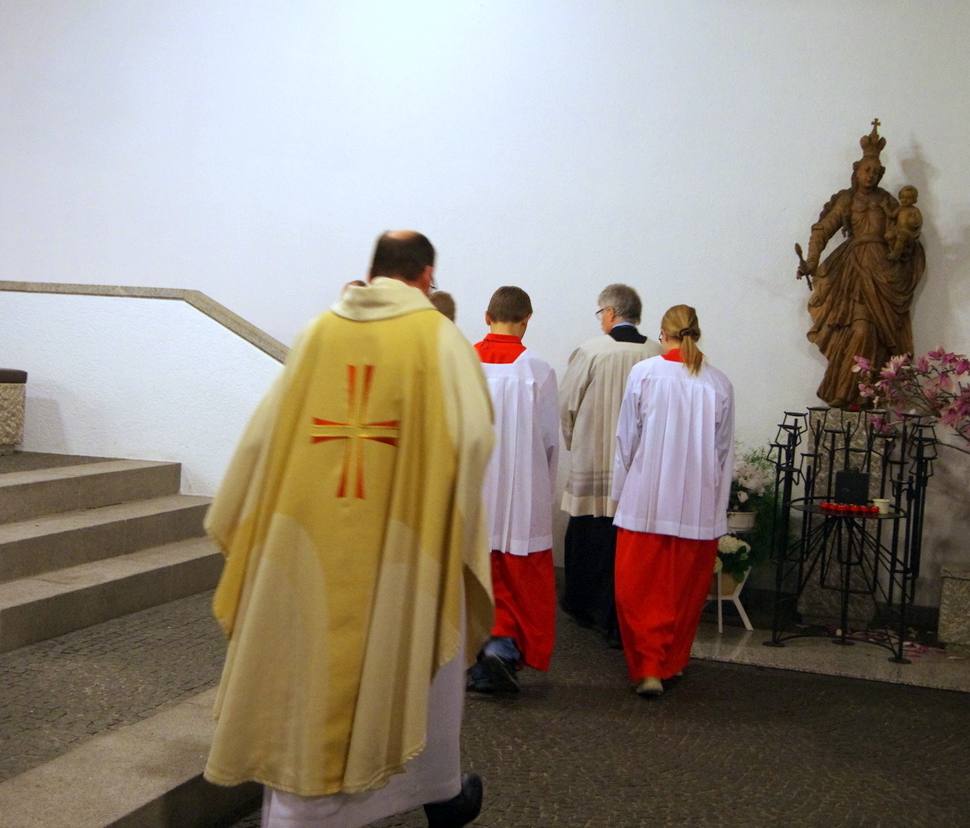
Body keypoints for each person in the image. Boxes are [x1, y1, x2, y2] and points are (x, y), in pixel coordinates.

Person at [203, 231, 495, 828]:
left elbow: (262, 436)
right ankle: (432, 791)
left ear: (374, 268)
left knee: (302, 666)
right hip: (402, 543)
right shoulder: (438, 338)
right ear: (426, 275)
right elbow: (473, 438)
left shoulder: (318, 333)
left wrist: (239, 514)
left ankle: (301, 812)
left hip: (303, 542)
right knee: (415, 662)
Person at [611, 304, 734, 697]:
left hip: (647, 499)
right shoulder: (718, 383)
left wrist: (620, 492)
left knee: (637, 588)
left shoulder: (645, 373)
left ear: (663, 334)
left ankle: (649, 666)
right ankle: (671, 661)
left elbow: (626, 438)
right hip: (696, 503)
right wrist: (716, 506)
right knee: (685, 590)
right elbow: (722, 452)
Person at [467, 286, 559, 694]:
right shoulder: (537, 369)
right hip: (519, 487)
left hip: (471, 485)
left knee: (473, 569)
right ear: (527, 319)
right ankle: (501, 648)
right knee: (516, 571)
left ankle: (479, 656)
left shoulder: (462, 360)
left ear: (487, 317)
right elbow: (549, 438)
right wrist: (543, 488)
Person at [558, 284, 661, 646]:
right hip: (637, 466)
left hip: (593, 459)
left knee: (588, 535)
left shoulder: (591, 351)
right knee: (626, 543)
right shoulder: (655, 353)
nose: (600, 319)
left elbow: (567, 404)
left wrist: (575, 444)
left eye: (601, 312)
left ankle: (582, 606)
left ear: (611, 313)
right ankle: (618, 614)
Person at [798, 120, 926, 408]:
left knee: (875, 336)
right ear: (856, 171)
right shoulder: (846, 200)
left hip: (883, 273)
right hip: (854, 271)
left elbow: (902, 230)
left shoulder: (886, 201)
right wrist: (811, 261)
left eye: (876, 172)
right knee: (859, 330)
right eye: (867, 170)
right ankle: (842, 391)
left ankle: (863, 396)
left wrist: (907, 234)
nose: (871, 176)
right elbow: (822, 230)